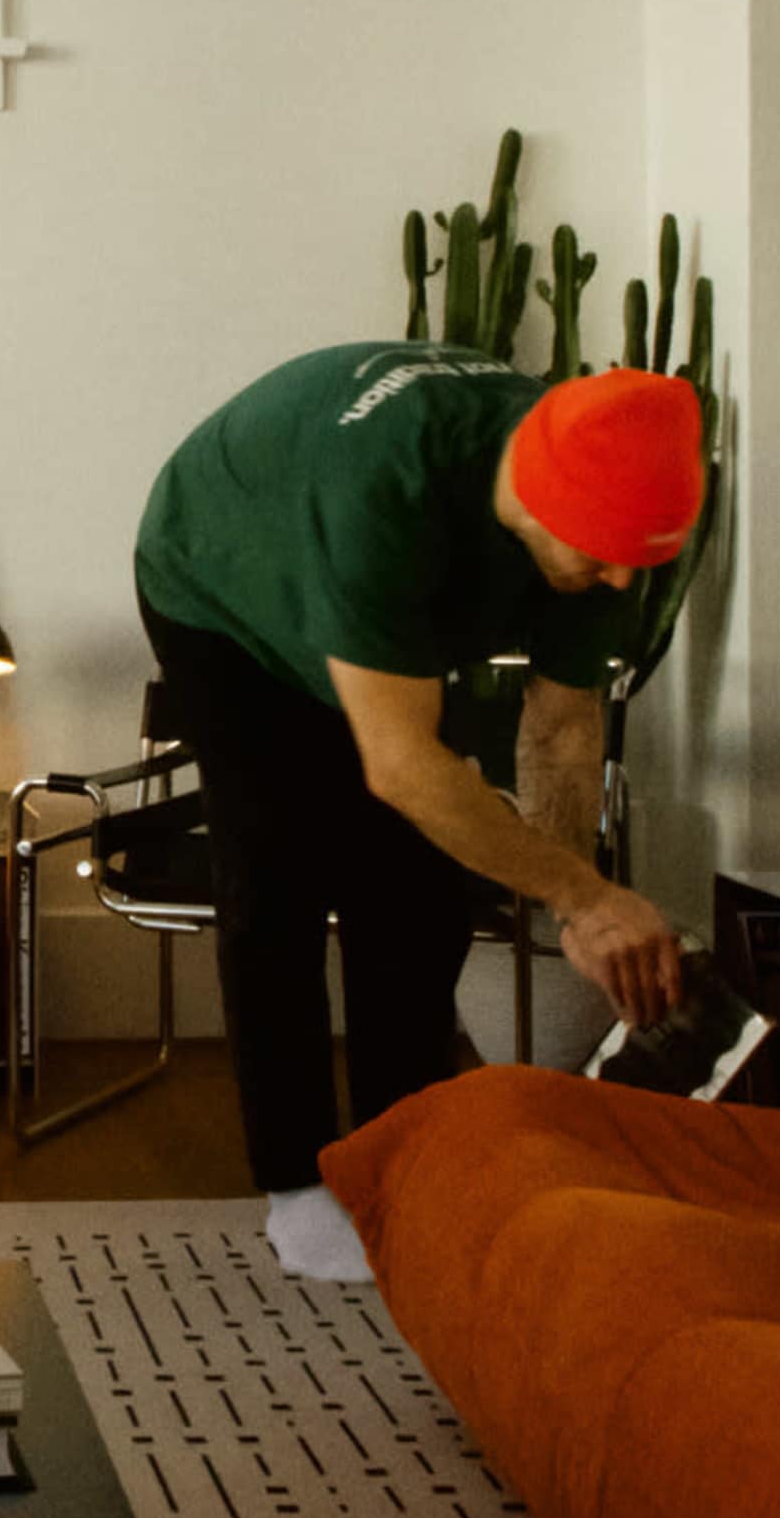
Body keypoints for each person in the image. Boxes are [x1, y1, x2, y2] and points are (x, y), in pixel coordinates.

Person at [131, 342, 705, 1282]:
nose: (617, 583)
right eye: (605, 559)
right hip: (223, 581)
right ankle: (298, 1185)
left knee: (416, 892)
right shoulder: (385, 499)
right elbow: (400, 764)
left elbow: (562, 726)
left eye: (636, 565)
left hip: (372, 585)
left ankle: (398, 1158)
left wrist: (572, 900)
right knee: (276, 871)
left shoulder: (607, 531)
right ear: (542, 501)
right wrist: (588, 894)